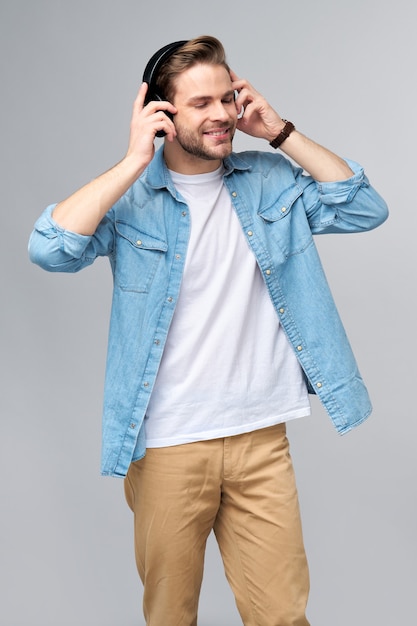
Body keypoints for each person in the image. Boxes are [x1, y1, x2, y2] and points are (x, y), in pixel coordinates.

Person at [28, 35, 388, 626]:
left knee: (282, 617)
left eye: (226, 98)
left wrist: (280, 132)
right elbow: (50, 249)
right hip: (171, 444)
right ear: (162, 114)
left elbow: (363, 207)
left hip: (260, 439)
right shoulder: (130, 202)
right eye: (201, 104)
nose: (221, 114)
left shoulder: (271, 180)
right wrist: (132, 162)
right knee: (171, 616)